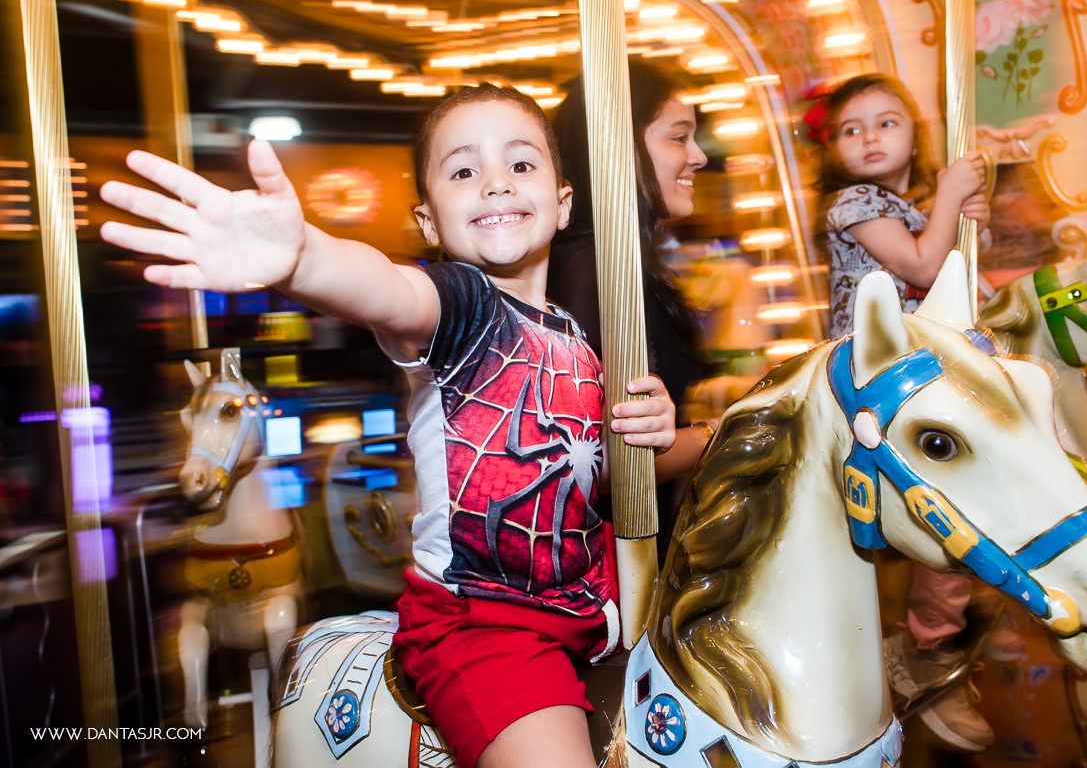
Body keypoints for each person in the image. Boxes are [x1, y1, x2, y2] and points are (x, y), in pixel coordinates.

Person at [97, 84, 709, 768]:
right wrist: (303, 258)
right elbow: (386, 287)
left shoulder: (577, 337)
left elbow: (605, 462)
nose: (496, 183)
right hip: (487, 625)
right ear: (427, 220)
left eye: (521, 164)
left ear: (564, 201)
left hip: (594, 601)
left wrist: (662, 426)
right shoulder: (460, 307)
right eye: (464, 171)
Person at [814, 73, 1004, 753]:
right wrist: (952, 196)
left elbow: (956, 278)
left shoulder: (904, 204)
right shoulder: (854, 202)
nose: (868, 137)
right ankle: (926, 640)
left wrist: (958, 212)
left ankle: (944, 626)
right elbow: (923, 266)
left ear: (912, 135)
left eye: (886, 122)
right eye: (851, 128)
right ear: (834, 149)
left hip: (913, 366)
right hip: (872, 369)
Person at [548, 59, 714, 549]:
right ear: (618, 145)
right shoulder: (594, 266)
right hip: (611, 568)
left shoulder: (619, 259)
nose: (700, 156)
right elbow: (593, 466)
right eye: (679, 137)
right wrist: (715, 434)